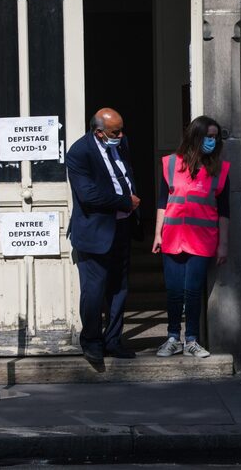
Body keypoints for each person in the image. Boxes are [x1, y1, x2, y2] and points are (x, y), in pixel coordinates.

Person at [66, 108, 141, 365]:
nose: (121, 135)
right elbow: (88, 195)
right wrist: (124, 202)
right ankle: (91, 342)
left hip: (122, 227)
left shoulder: (122, 144)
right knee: (94, 290)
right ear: (98, 132)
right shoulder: (79, 153)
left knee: (119, 287)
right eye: (115, 132)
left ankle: (113, 340)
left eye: (121, 130)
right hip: (94, 232)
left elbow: (125, 175)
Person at [152, 116, 230, 359]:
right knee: (174, 291)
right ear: (195, 136)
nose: (212, 141)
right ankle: (173, 337)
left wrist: (223, 244)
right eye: (208, 136)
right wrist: (157, 234)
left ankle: (192, 340)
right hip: (173, 237)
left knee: (193, 291)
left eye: (215, 137)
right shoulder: (170, 164)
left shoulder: (220, 169)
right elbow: (162, 203)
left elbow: (225, 211)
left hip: (202, 239)